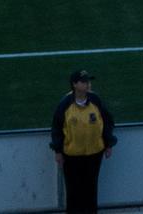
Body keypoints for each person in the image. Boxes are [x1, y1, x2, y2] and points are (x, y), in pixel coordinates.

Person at [51, 69, 116, 214]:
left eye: (88, 81)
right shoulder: (65, 104)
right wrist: (58, 151)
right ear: (74, 84)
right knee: (73, 190)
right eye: (84, 81)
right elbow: (56, 128)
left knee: (91, 188)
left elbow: (107, 122)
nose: (88, 84)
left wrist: (108, 144)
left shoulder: (96, 100)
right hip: (72, 155)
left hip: (94, 153)